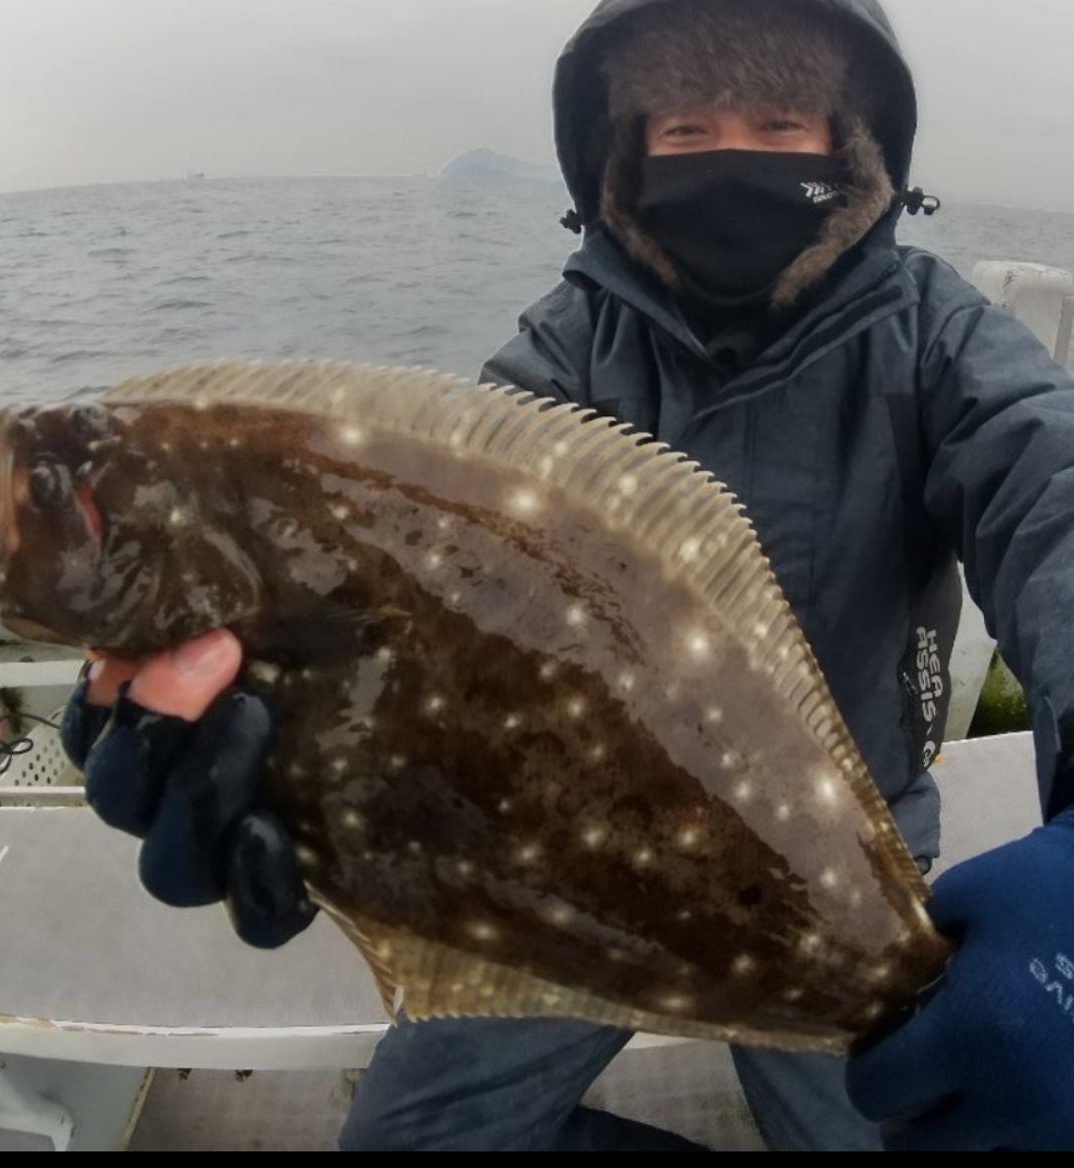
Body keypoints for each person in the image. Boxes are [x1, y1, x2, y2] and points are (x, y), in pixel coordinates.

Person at [61, 0, 1074, 1151]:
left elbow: (1059, 500)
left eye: (778, 119)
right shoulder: (555, 361)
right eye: (684, 130)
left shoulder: (937, 341)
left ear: (851, 145)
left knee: (934, 1113)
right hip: (558, 846)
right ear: (622, 157)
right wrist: (264, 735)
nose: (728, 156)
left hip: (840, 855)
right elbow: (397, 593)